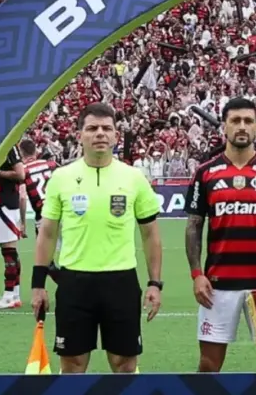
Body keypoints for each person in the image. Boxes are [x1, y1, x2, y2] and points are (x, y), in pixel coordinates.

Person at [31, 102, 164, 374]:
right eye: (92, 128)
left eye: (107, 128)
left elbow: (150, 234)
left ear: (116, 135)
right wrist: (37, 284)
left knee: (124, 364)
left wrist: (154, 283)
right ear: (80, 134)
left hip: (122, 281)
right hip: (74, 283)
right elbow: (46, 232)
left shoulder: (134, 178)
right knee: (72, 364)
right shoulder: (61, 177)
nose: (100, 134)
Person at [184, 98, 256, 373]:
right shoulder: (205, 172)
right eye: (235, 121)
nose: (242, 126)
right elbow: (193, 226)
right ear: (224, 126)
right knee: (208, 365)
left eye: (248, 121)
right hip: (217, 286)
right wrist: (197, 274)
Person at [0, 146, 25, 309]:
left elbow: (20, 174)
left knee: (8, 251)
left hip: (5, 203)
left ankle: (8, 295)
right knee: (10, 251)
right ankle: (14, 294)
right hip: (2, 202)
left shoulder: (8, 147)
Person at [19, 139, 61, 283]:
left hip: (44, 217)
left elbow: (22, 197)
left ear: (21, 153)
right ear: (35, 151)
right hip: (64, 213)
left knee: (45, 260)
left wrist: (23, 223)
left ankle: (67, 285)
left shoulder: (23, 171)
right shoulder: (51, 164)